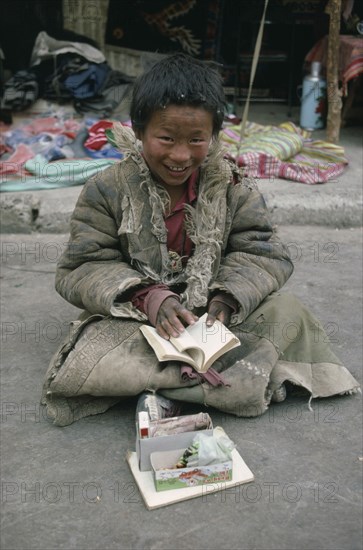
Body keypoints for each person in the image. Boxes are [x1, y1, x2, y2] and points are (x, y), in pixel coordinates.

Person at [41, 53, 359, 426]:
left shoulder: (232, 184)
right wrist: (150, 298)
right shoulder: (107, 189)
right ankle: (234, 384)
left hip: (215, 318)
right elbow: (81, 266)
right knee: (94, 344)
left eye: (196, 139)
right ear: (139, 131)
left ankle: (161, 389)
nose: (180, 155)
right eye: (166, 138)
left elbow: (264, 252)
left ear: (214, 136)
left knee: (286, 312)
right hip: (137, 318)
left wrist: (226, 300)